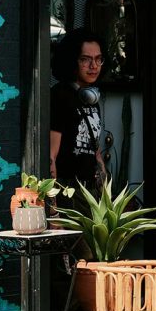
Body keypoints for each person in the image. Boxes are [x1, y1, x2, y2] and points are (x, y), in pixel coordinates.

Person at [50, 27, 106, 191]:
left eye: (98, 59)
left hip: (90, 193)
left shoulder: (91, 97)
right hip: (68, 191)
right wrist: (53, 208)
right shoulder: (60, 96)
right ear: (72, 61)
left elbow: (96, 151)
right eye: (85, 59)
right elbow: (50, 156)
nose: (93, 66)